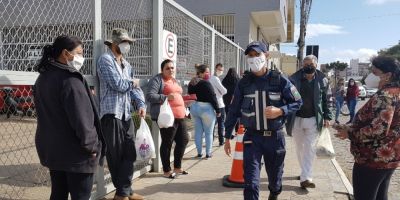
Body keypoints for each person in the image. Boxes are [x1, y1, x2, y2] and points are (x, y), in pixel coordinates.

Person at [224, 41, 303, 200]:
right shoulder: (244, 83)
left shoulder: (279, 80)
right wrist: (227, 137)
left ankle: (274, 193)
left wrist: (280, 110)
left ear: (266, 55)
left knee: (275, 179)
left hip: (275, 137)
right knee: (251, 183)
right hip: (252, 138)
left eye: (257, 54)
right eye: (250, 56)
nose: (254, 59)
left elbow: (297, 102)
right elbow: (233, 110)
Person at [33, 35, 105, 200]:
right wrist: (92, 147)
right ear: (66, 53)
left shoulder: (43, 77)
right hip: (76, 154)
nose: (81, 57)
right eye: (79, 53)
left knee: (58, 193)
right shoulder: (70, 80)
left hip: (54, 150)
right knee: (80, 196)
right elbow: (82, 120)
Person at [334, 56, 400, 200]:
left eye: (374, 72)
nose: (370, 75)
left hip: (373, 158)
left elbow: (379, 129)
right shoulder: (396, 92)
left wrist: (349, 133)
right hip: (390, 156)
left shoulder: (386, 95)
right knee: (381, 196)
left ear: (388, 75)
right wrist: (349, 126)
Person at [97, 28, 146, 200]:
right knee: (115, 155)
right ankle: (124, 192)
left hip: (126, 114)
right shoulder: (105, 60)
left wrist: (141, 103)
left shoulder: (127, 64)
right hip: (111, 114)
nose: (128, 46)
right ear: (115, 43)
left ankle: (124, 191)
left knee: (130, 153)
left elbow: (135, 88)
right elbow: (117, 84)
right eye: (125, 42)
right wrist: (133, 83)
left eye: (129, 43)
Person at [286, 55, 332, 189]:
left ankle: (306, 177)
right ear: (302, 65)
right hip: (297, 118)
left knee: (310, 148)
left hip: (314, 119)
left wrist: (327, 116)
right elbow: (289, 98)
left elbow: (326, 100)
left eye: (310, 64)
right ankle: (304, 172)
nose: (308, 66)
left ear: (316, 65)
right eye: (305, 64)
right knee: (300, 148)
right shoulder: (294, 79)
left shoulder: (322, 80)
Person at [146, 59, 189, 178]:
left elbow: (177, 95)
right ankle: (166, 170)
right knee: (167, 142)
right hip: (167, 117)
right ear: (162, 70)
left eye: (172, 68)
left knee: (183, 140)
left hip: (180, 115)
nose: (171, 70)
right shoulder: (157, 80)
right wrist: (165, 97)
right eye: (167, 68)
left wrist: (185, 102)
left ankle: (177, 167)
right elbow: (150, 96)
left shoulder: (174, 80)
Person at [188, 64, 221, 159]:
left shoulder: (193, 82)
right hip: (207, 109)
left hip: (195, 108)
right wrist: (218, 110)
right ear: (201, 73)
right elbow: (213, 97)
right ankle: (208, 153)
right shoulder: (206, 83)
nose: (209, 74)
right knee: (209, 133)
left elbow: (190, 93)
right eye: (207, 72)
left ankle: (199, 153)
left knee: (198, 132)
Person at [209, 63, 228, 146]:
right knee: (221, 123)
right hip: (219, 104)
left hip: (212, 103)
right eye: (219, 69)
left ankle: (211, 140)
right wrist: (222, 92)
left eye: (222, 70)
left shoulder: (210, 78)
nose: (221, 71)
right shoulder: (215, 79)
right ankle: (221, 140)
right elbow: (224, 91)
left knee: (212, 124)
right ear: (216, 69)